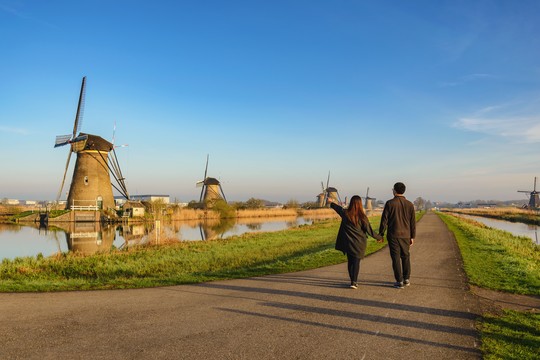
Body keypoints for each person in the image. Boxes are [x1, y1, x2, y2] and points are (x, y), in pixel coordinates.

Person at [328, 195, 383, 289]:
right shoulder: (363, 217)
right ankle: (354, 281)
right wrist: (379, 237)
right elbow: (369, 231)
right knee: (356, 262)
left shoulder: (345, 213)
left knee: (350, 262)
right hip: (359, 243)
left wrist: (331, 202)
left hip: (348, 243)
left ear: (351, 203)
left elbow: (337, 208)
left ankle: (352, 281)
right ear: (360, 204)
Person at [378, 182, 416, 289]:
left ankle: (399, 281)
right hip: (406, 235)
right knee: (406, 256)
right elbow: (413, 222)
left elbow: (384, 221)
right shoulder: (410, 204)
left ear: (394, 190)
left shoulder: (390, 203)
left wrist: (381, 234)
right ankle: (406, 279)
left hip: (393, 234)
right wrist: (412, 236)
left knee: (395, 258)